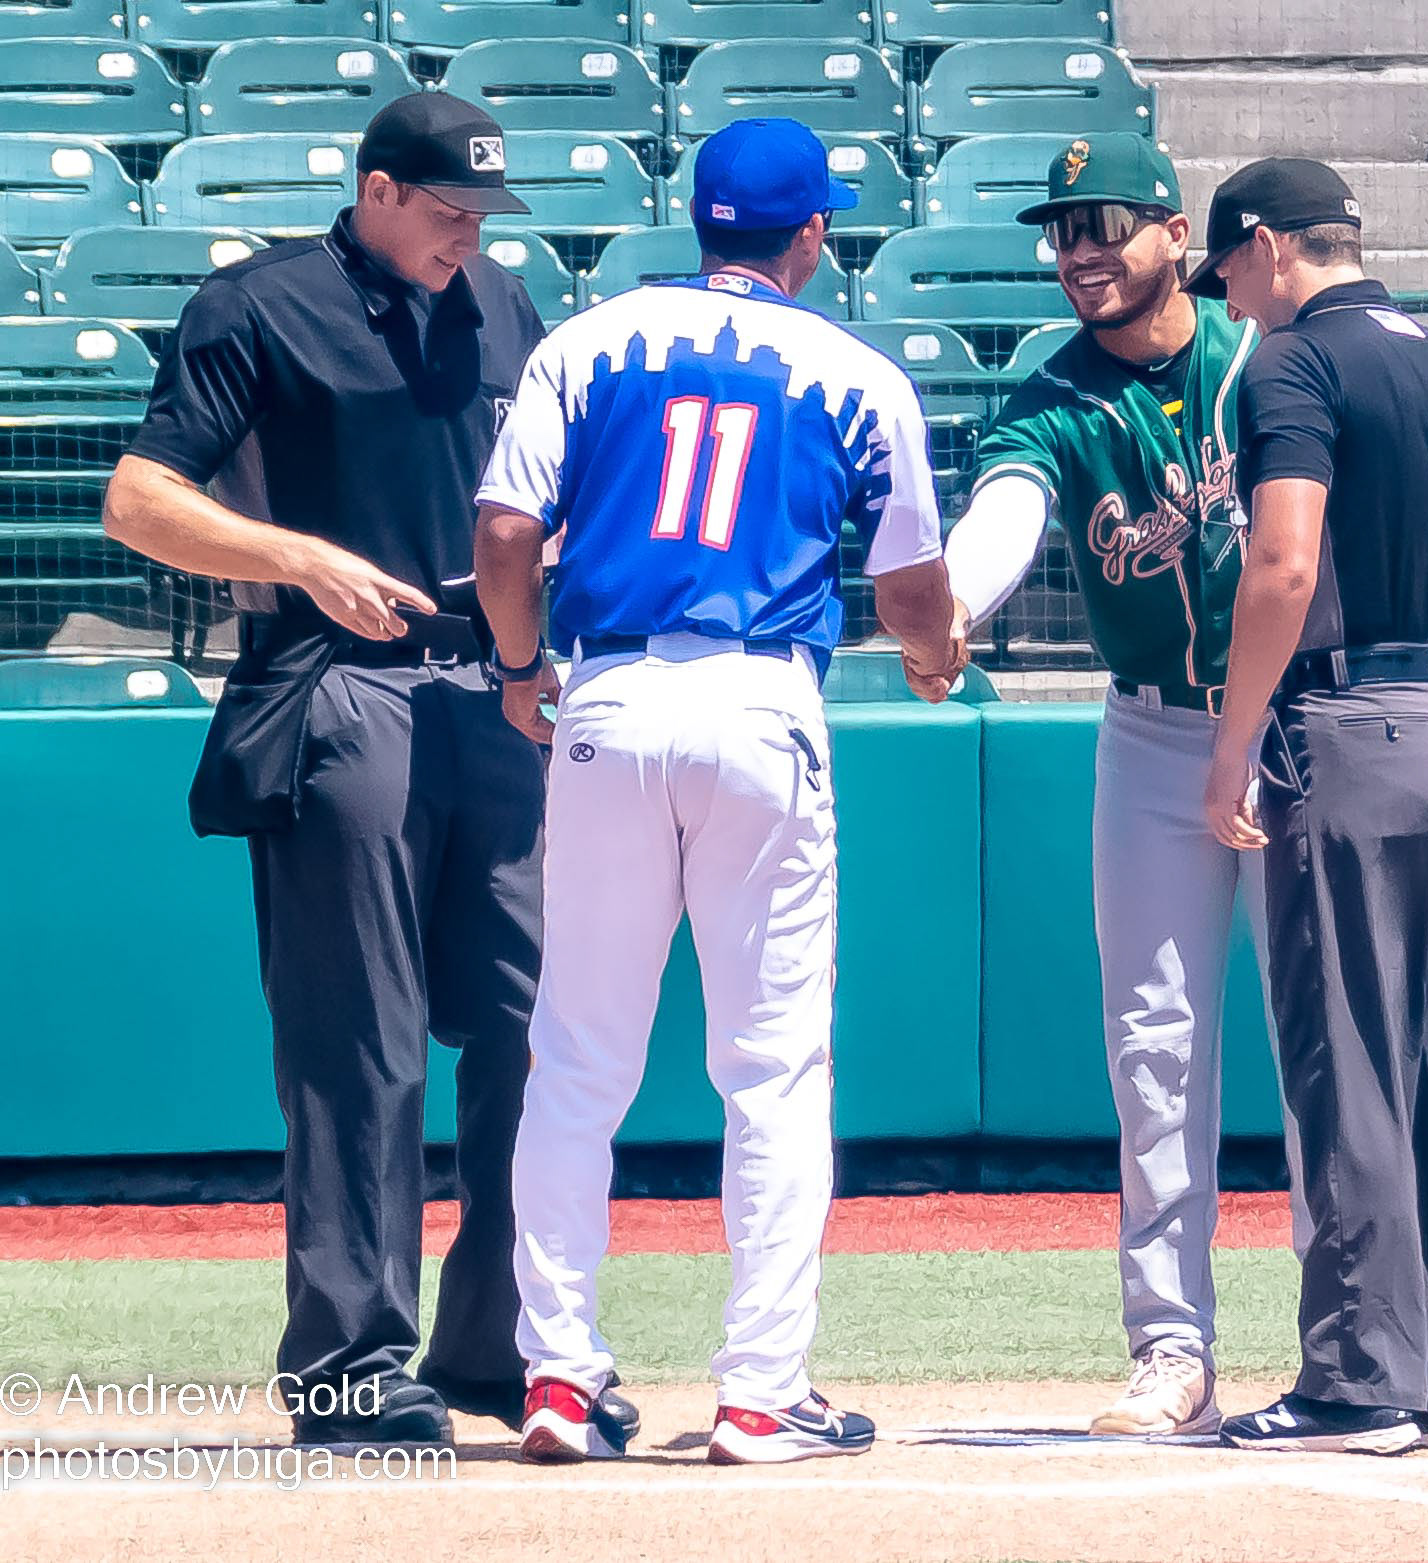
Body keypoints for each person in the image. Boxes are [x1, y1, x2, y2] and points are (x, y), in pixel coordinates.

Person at [101, 93, 637, 1448]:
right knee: (363, 1046)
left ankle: (501, 1341)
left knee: (535, 1025)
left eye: (484, 212)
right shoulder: (258, 304)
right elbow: (138, 498)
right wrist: (296, 556)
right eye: (450, 208)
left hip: (494, 692)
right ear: (378, 190)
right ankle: (349, 1363)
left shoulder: (501, 304)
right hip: (339, 691)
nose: (471, 233)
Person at [474, 115, 965, 1466]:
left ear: (699, 221)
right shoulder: (856, 368)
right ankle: (759, 1391)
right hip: (759, 702)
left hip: (611, 692)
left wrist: (522, 668)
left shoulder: (585, 340)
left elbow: (506, 535)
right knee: (771, 1066)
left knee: (576, 1060)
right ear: (810, 232)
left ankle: (560, 1379)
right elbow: (915, 590)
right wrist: (936, 652)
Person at [930, 131, 1308, 1440]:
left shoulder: (1266, 357)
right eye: (1062, 229)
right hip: (1153, 738)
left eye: (1104, 223)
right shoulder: (1052, 395)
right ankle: (1172, 1345)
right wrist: (955, 604)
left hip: (1295, 726)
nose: (1079, 250)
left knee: (1321, 1033)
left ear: (1170, 230)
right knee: (1156, 1048)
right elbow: (1009, 519)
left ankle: (1354, 1329)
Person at [1191, 157, 1428, 1455]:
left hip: (1349, 730)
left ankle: (1358, 1380)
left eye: (1230, 269)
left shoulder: (1294, 364)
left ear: (1275, 246)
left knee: (1348, 1056)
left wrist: (1232, 746)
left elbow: (1284, 561)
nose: (1229, 299)